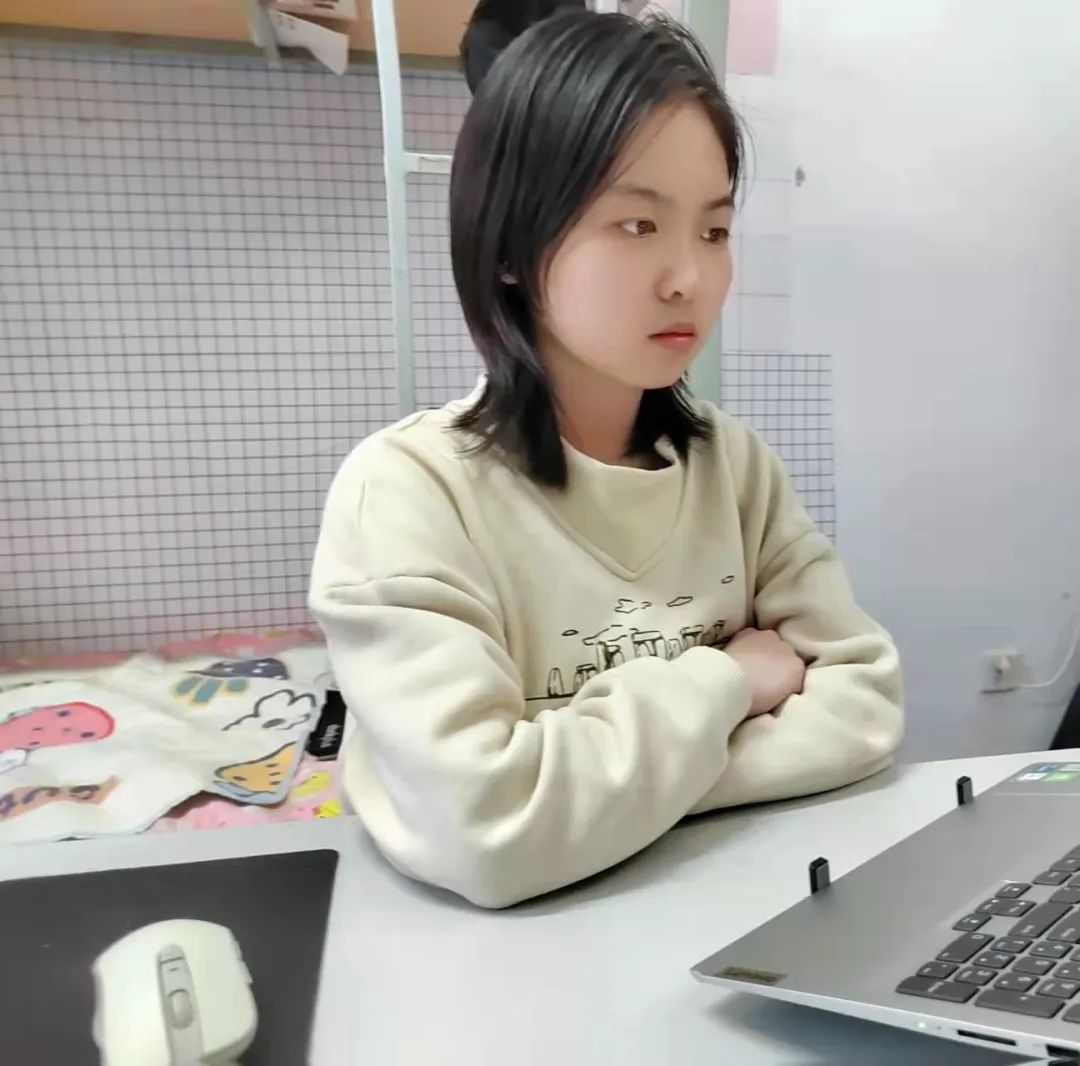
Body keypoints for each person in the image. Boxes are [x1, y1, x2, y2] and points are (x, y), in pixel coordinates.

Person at [309, 8, 904, 909]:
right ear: (511, 245)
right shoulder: (408, 492)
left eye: (714, 232)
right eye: (636, 226)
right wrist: (731, 680)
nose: (688, 278)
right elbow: (486, 827)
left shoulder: (736, 469)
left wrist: (593, 796)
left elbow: (865, 707)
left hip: (730, 917)